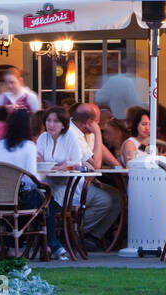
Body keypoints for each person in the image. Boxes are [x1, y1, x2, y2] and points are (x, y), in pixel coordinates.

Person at [0, 109, 46, 256]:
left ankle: (4, 244)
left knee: (14, 209)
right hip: (18, 199)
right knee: (43, 201)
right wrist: (43, 177)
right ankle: (21, 246)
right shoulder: (29, 146)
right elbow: (32, 179)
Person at [68, 105, 122, 247]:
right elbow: (95, 165)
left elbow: (101, 149)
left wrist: (119, 166)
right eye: (98, 122)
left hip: (88, 181)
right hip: (72, 184)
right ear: (89, 122)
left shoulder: (87, 131)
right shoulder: (72, 134)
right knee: (104, 200)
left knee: (118, 197)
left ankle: (92, 237)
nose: (100, 125)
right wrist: (98, 133)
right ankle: (72, 233)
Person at [35, 104, 82, 260]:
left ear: (63, 124)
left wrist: (61, 165)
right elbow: (38, 159)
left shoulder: (70, 138)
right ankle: (53, 245)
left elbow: (76, 163)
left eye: (55, 121)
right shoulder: (43, 138)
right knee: (41, 203)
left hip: (66, 187)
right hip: (47, 184)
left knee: (45, 205)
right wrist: (59, 165)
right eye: (48, 120)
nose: (51, 124)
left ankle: (48, 245)